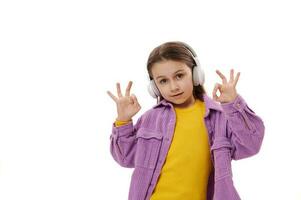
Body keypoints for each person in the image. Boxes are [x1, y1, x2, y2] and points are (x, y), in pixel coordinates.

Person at [107, 41, 265, 200]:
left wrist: (233, 104)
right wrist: (123, 121)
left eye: (179, 75)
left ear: (196, 74)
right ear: (154, 87)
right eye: (163, 81)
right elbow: (126, 158)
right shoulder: (150, 119)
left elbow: (250, 144)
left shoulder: (218, 117)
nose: (173, 86)